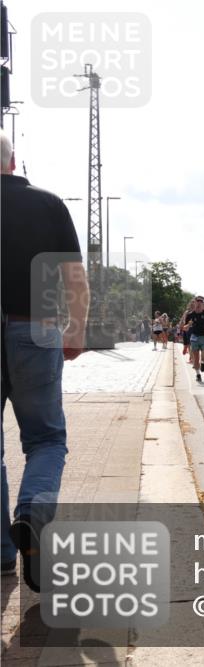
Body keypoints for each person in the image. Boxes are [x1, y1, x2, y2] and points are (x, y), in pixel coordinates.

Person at [1, 129, 90, 590]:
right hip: (35, 326)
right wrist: (75, 331)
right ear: (13, 162)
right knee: (46, 438)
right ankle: (34, 511)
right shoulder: (48, 204)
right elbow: (75, 278)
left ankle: (2, 553)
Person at [184, 297, 204, 382]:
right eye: (198, 301)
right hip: (194, 337)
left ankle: (203, 363)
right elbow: (185, 327)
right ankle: (198, 374)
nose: (199, 303)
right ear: (194, 303)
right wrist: (188, 326)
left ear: (203, 304)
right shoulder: (190, 315)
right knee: (196, 358)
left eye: (201, 301)